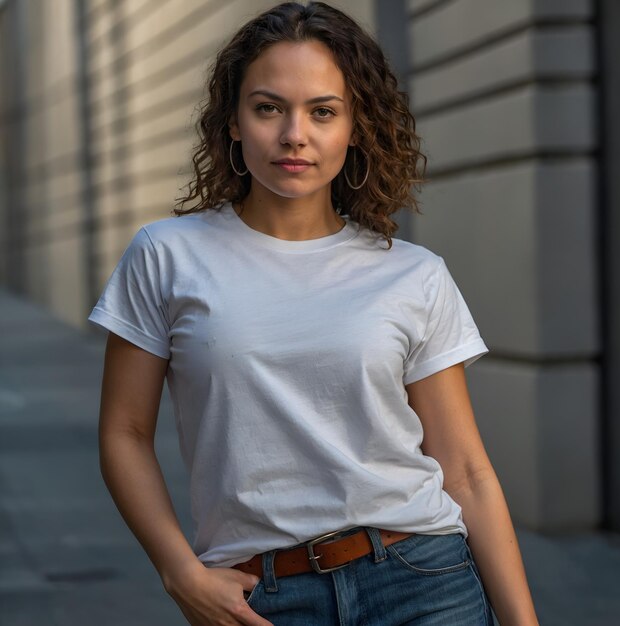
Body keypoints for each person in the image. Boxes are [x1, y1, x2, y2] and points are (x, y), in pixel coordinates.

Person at [89, 2, 539, 625]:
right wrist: (180, 573)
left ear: (355, 127)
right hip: (263, 598)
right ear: (235, 123)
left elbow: (464, 470)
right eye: (268, 107)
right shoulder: (167, 255)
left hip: (423, 579)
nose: (294, 134)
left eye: (322, 111)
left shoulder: (412, 272)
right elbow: (124, 433)